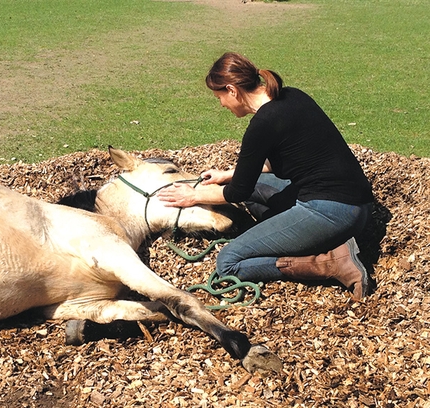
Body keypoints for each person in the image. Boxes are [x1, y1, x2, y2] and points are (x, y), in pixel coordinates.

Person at [157, 52, 374, 300]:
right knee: (255, 190)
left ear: (232, 90)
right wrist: (226, 175)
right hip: (357, 205)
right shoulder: (291, 96)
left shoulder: (262, 124)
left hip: (332, 212)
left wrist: (193, 196)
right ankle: (304, 238)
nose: (221, 105)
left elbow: (237, 192)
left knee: (228, 262)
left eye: (219, 97)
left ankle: (330, 263)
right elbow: (267, 170)